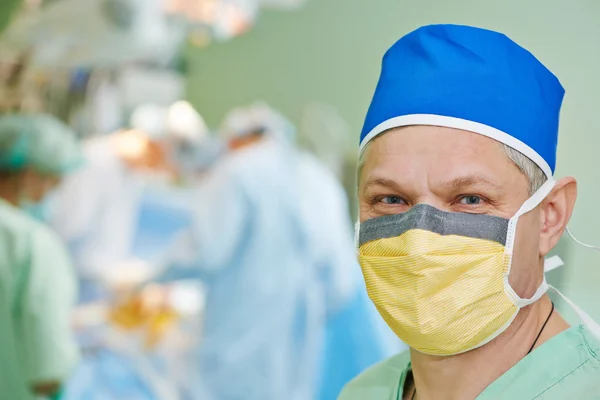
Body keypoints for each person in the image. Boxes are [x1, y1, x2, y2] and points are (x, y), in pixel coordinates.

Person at [339, 24, 600, 400]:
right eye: (391, 199)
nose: (419, 242)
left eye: (470, 199)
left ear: (549, 216)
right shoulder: (362, 393)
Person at [161, 102, 387, 400]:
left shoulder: (237, 170)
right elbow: (338, 278)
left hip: (240, 329)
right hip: (300, 336)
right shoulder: (315, 175)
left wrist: (152, 272)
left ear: (238, 138)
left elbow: (204, 251)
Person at [0, 114, 83, 399]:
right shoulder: (32, 245)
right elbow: (47, 371)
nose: (50, 196)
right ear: (28, 175)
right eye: (52, 182)